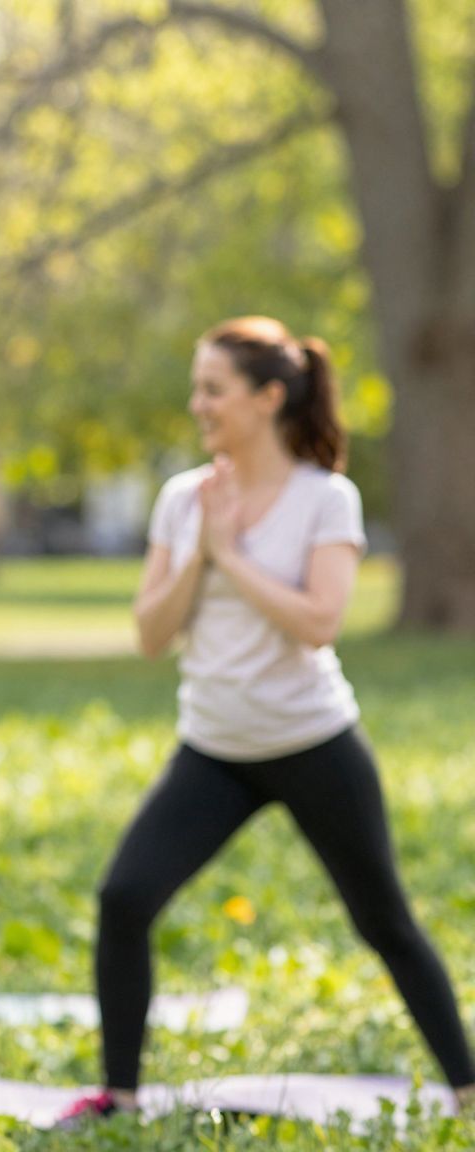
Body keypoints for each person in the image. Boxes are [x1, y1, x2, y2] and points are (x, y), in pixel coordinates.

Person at [59, 317, 475, 1125]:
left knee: (383, 919)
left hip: (313, 744)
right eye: (199, 388)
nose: (199, 404)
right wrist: (199, 552)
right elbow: (150, 635)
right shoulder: (186, 499)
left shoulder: (326, 498)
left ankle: (468, 1089)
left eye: (214, 389)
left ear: (267, 399)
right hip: (213, 751)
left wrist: (233, 557)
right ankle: (120, 1096)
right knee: (124, 898)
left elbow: (319, 622)